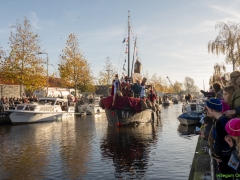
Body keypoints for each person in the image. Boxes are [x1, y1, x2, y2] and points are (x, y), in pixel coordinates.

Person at [206, 98, 233, 176]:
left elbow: (219, 140)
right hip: (229, 151)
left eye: (207, 109)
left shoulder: (219, 122)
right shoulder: (225, 118)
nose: (207, 111)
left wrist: (216, 155)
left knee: (225, 175)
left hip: (224, 154)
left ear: (211, 110)